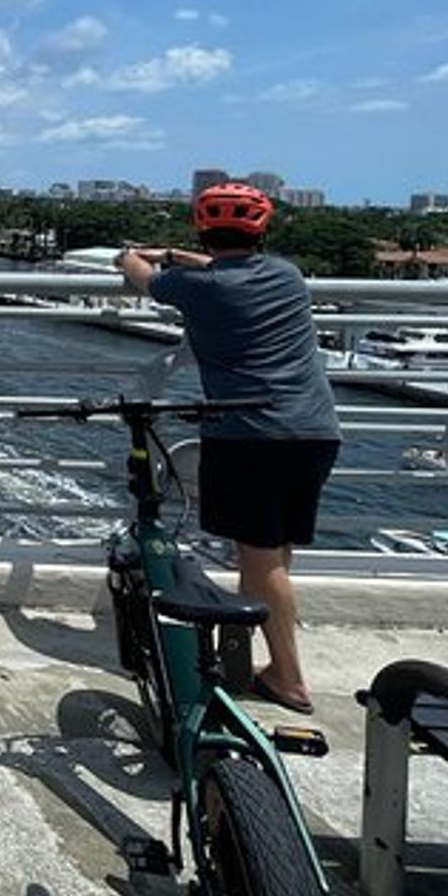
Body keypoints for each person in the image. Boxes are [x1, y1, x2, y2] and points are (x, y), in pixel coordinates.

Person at [115, 182, 340, 715]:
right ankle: (271, 661)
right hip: (315, 430)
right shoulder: (287, 277)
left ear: (203, 229)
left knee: (261, 560)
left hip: (252, 433)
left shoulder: (200, 290)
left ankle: (288, 678)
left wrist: (131, 255)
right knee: (275, 554)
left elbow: (145, 279)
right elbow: (218, 266)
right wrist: (175, 254)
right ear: (261, 232)